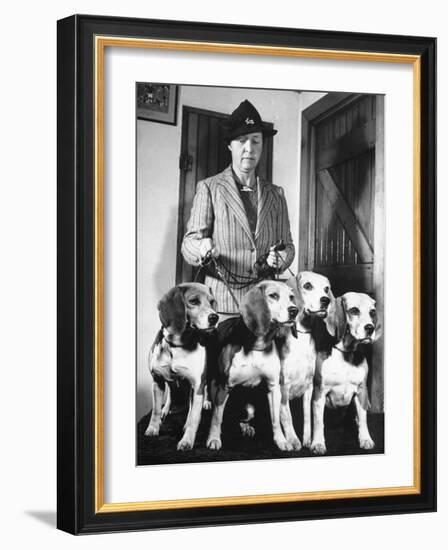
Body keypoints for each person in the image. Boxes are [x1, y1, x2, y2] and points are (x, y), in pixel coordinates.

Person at [181, 99, 295, 316]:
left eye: (255, 141)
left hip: (265, 306)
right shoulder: (209, 188)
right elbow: (188, 244)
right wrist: (201, 248)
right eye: (241, 140)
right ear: (229, 145)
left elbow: (288, 246)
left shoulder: (276, 194)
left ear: (262, 145)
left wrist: (281, 258)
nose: (249, 149)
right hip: (221, 303)